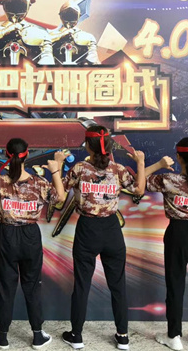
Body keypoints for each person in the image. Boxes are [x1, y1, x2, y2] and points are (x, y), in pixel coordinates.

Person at [0, 138, 66, 350]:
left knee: (6, 286)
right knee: (32, 286)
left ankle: (2, 336)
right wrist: (55, 170)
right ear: (27, 155)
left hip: (7, 235)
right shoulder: (39, 182)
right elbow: (60, 197)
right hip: (30, 235)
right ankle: (38, 336)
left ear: (6, 155)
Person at [58, 125, 145, 350]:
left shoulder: (79, 168)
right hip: (111, 229)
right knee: (118, 285)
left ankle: (76, 336)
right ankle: (123, 337)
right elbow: (138, 190)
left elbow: (59, 193)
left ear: (88, 145)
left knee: (82, 285)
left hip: (87, 229)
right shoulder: (118, 169)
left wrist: (57, 167)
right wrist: (141, 163)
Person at [145, 137, 188, 351]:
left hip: (178, 233)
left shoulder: (168, 179)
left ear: (178, 157)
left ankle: (174, 336)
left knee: (175, 285)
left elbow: (139, 181)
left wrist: (158, 165)